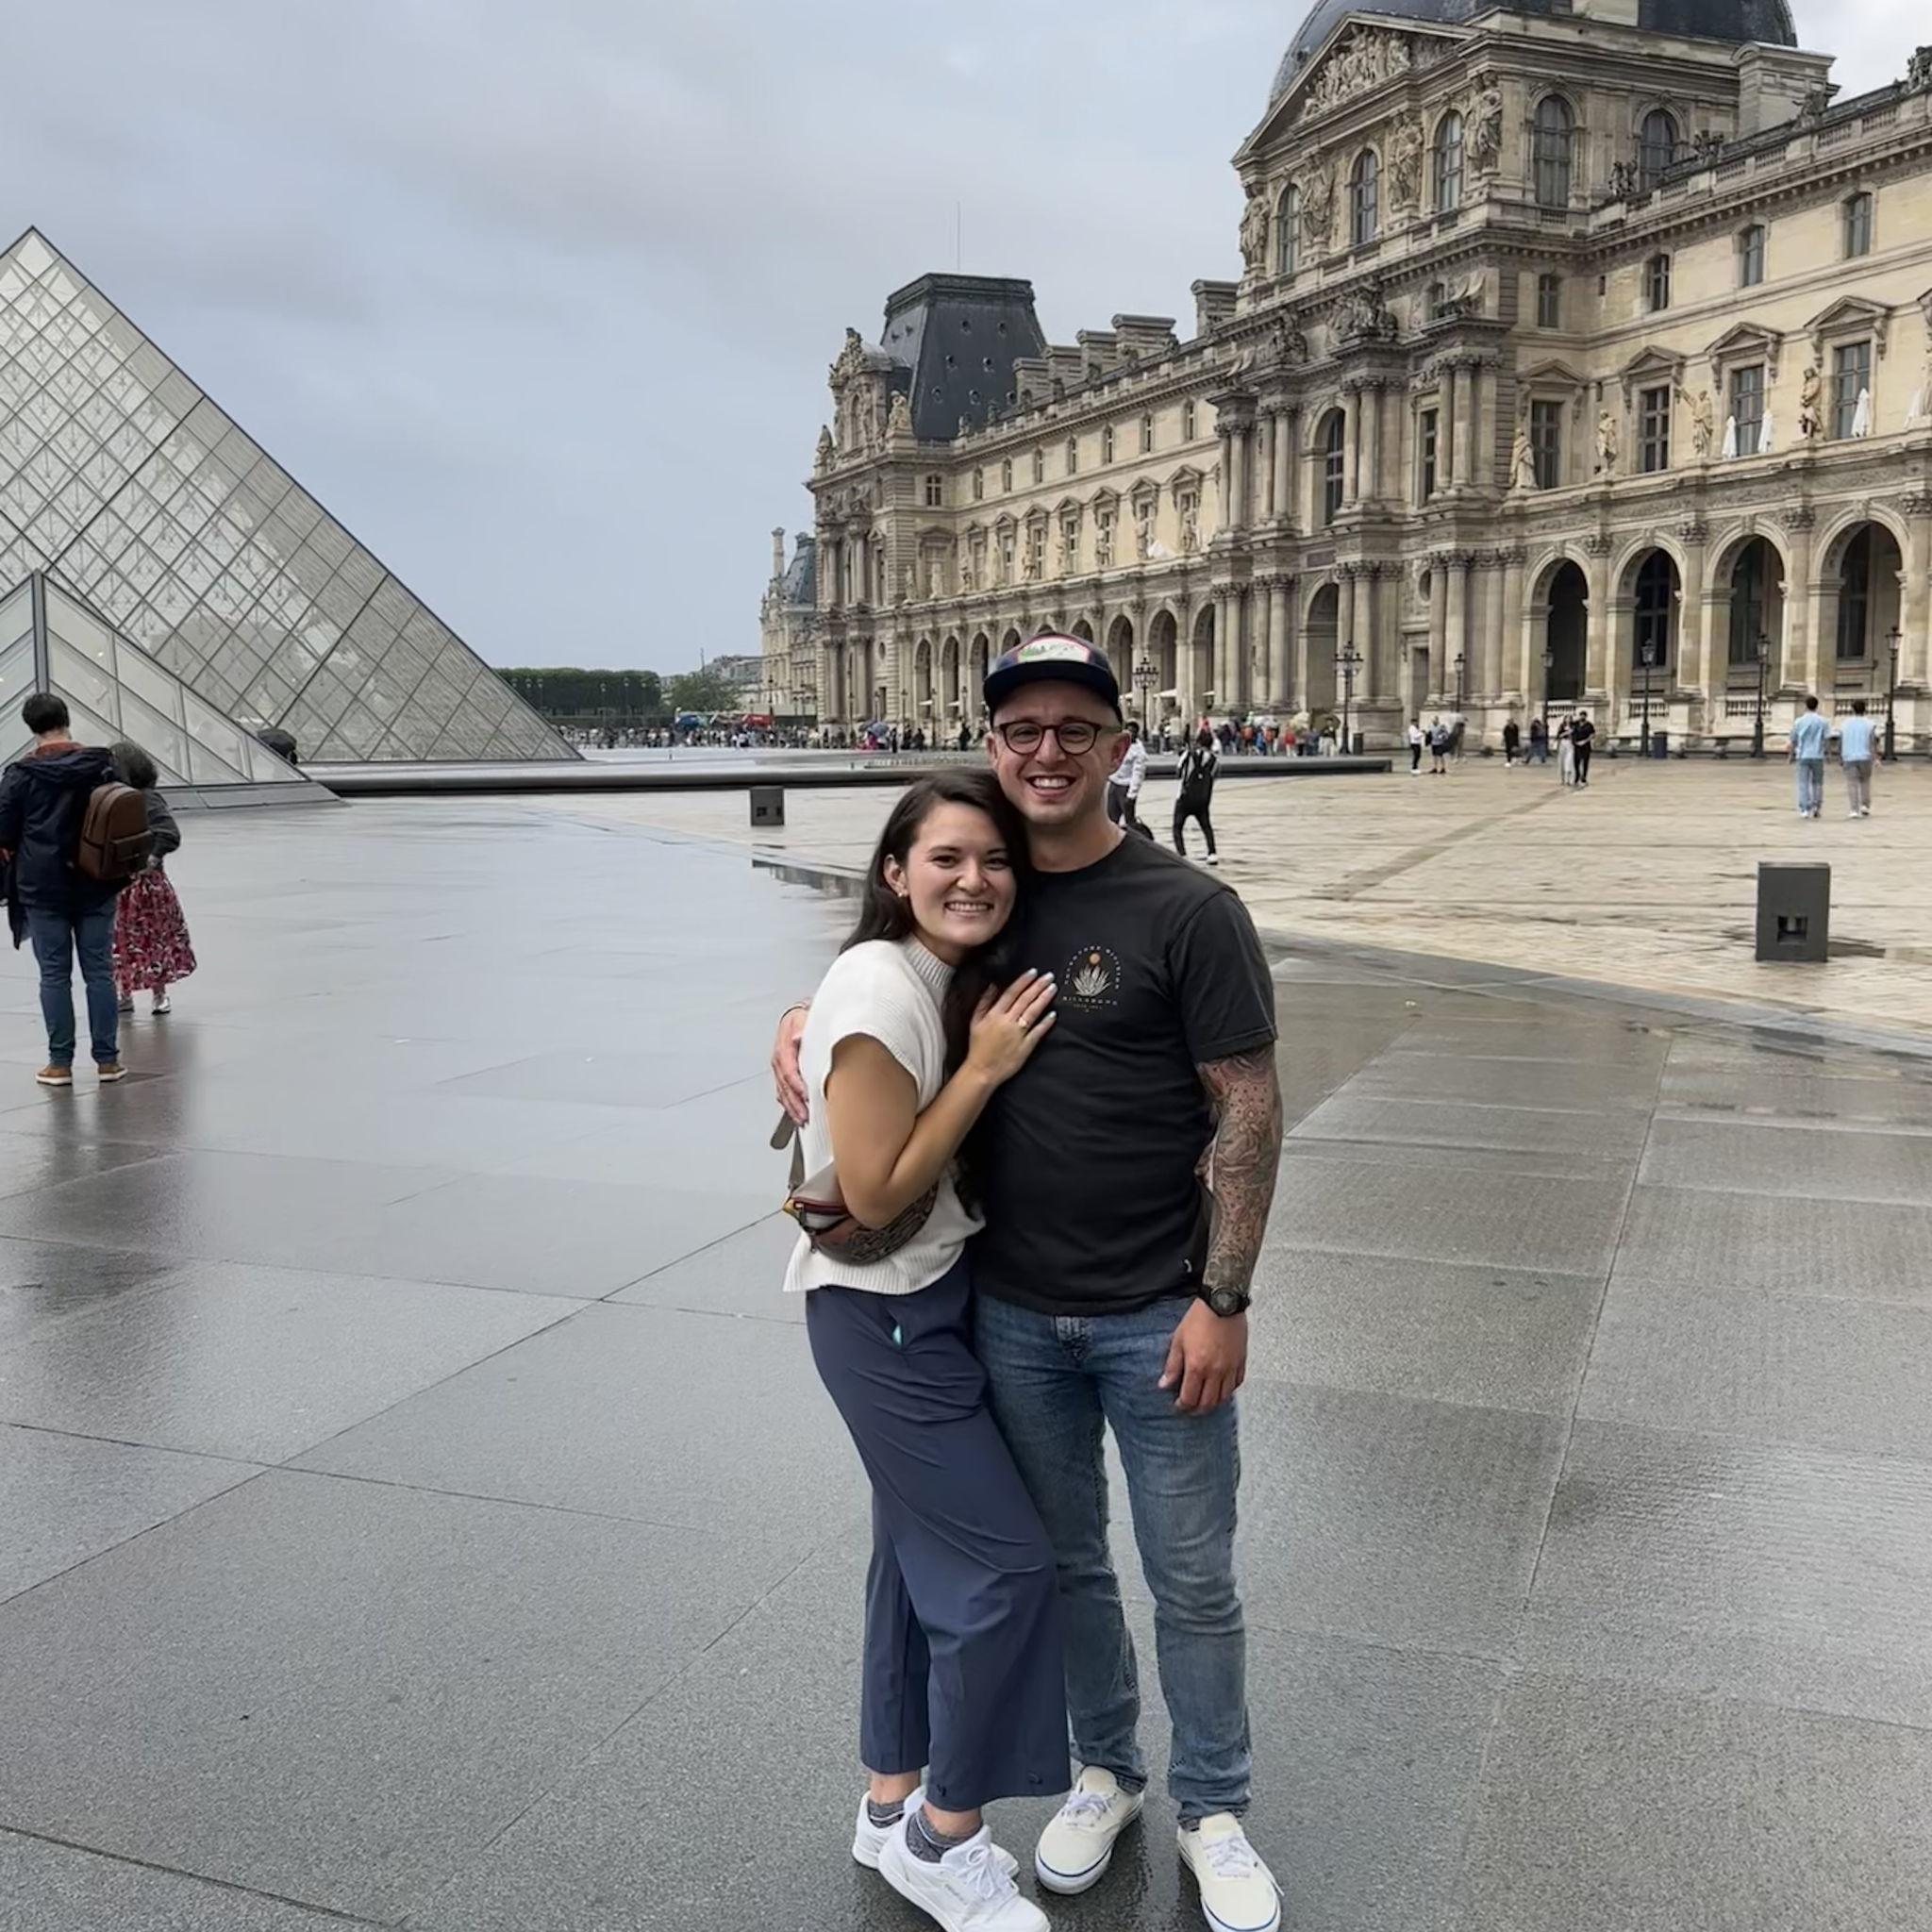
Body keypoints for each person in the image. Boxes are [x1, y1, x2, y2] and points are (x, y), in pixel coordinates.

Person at [775, 638, 1285, 1932]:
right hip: (1004, 1308)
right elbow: (880, 976)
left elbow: (1248, 1109)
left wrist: (1223, 1297)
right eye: (1021, 731)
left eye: (1074, 728)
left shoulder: (1188, 911)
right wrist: (794, 1020)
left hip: (1155, 1309)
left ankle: (1213, 1808)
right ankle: (1106, 1770)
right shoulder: (988, 890)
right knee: (1063, 1568)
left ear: (1122, 745)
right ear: (993, 744)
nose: (1045, 752)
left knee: (1192, 1574)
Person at [787, 771, 1067, 1932]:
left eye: (992, 859)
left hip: (923, 1298)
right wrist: (983, 1070)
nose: (973, 877)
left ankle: (886, 1793)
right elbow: (875, 1187)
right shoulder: (876, 984)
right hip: (882, 1311)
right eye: (943, 857)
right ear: (892, 871)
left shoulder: (930, 976)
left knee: (911, 1562)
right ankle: (942, 1834)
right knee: (1007, 1571)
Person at [0, 695, 130, 1088]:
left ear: (31, 727)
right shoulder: (102, 765)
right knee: (100, 973)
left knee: (54, 975)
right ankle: (107, 1061)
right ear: (66, 719)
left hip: (42, 887)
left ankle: (60, 1063)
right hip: (96, 881)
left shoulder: (20, 776)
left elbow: (4, 832)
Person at [108, 742, 194, 1018]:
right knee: (122, 941)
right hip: (121, 882)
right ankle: (126, 992)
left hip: (144, 886)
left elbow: (169, 833)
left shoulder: (146, 798)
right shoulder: (117, 797)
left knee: (150, 939)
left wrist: (152, 859)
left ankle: (158, 993)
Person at [1174, 728, 1220, 865]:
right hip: (1202, 800)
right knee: (1206, 827)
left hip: (1185, 798)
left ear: (1198, 741)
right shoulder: (1214, 760)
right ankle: (1212, 853)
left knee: (1177, 827)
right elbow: (1214, 778)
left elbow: (1178, 772)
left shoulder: (1188, 754)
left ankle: (1182, 854)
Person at [1107, 721, 1150, 838]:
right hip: (1114, 783)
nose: (1130, 734)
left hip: (1126, 787)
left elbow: (1138, 774)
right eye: (1128, 731)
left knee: (1129, 821)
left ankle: (1133, 842)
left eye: (1133, 732)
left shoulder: (1138, 751)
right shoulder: (1120, 745)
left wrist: (1132, 794)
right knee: (1110, 818)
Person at [1836, 699, 1877, 817]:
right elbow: (1872, 742)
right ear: (1865, 709)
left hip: (1848, 756)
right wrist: (1875, 757)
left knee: (1852, 783)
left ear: (1852, 709)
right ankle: (1865, 805)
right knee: (1865, 781)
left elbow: (1840, 741)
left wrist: (1839, 755)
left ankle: (1854, 809)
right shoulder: (1870, 723)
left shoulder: (1845, 724)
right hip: (1865, 756)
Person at [1789, 693, 1828, 818]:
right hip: (1818, 755)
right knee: (1817, 782)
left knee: (1803, 782)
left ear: (1805, 706)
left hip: (1803, 755)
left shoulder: (1799, 721)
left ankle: (1804, 808)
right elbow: (1826, 739)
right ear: (1817, 706)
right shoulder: (1823, 721)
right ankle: (1816, 806)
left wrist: (1791, 755)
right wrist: (1828, 754)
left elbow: (1793, 739)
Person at [1570, 709, 1595, 787]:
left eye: (1583, 715)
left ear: (1585, 716)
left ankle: (1583, 778)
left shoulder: (1589, 725)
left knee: (1585, 763)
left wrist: (1585, 741)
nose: (1582, 717)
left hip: (1585, 746)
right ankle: (1577, 777)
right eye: (1581, 715)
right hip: (1577, 746)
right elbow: (1571, 732)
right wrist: (1574, 742)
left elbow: (1592, 734)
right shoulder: (1576, 724)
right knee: (1576, 763)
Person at [1557, 716, 1576, 788]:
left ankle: (1568, 779)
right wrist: (1567, 733)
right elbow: (1559, 735)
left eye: (1570, 718)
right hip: (1563, 743)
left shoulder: (1574, 726)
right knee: (1561, 762)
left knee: (1569, 762)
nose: (1568, 720)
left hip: (1570, 744)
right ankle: (1562, 779)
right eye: (1567, 718)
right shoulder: (1562, 726)